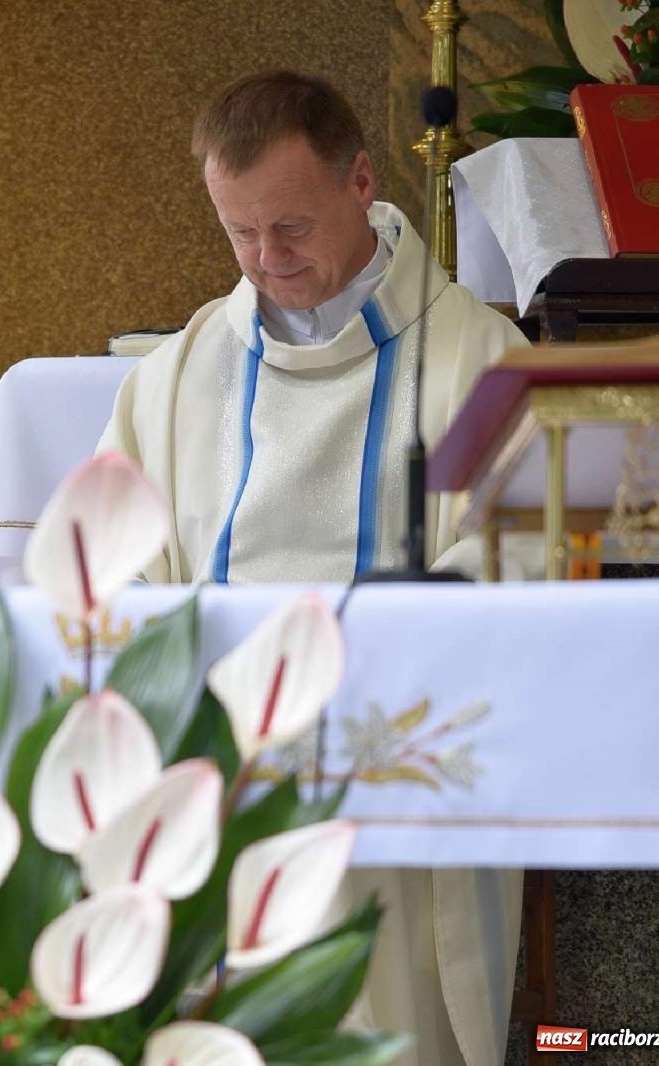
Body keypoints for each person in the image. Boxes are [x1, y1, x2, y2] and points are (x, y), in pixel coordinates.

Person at [97, 73, 524, 1065]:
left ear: (360, 182)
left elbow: (517, 552)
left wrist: (369, 659)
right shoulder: (179, 372)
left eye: (288, 227)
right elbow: (111, 564)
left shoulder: (473, 356)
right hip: (212, 760)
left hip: (385, 744)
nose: (265, 260)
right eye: (239, 235)